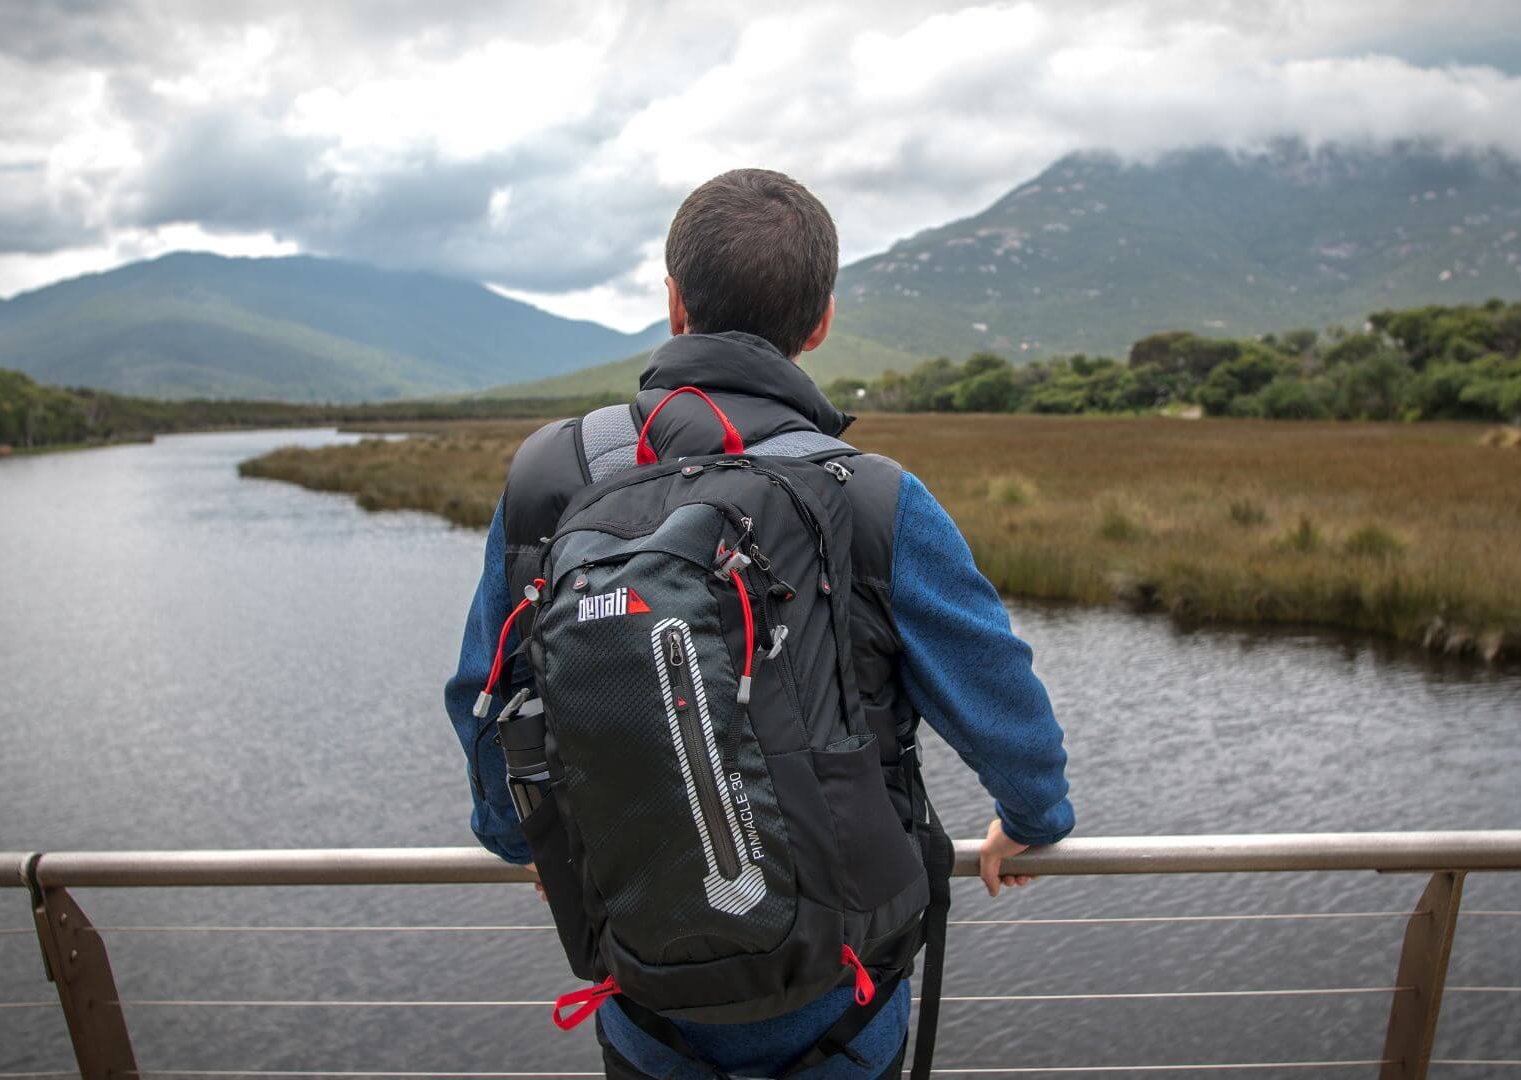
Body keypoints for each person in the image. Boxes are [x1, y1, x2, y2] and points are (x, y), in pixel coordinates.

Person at [447, 168, 1073, 1079]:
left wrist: (520, 839)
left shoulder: (553, 473)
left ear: (673, 302)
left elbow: (487, 692)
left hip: (641, 988)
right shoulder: (874, 495)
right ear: (819, 321)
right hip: (841, 999)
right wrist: (1033, 816)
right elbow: (997, 693)